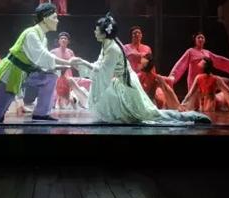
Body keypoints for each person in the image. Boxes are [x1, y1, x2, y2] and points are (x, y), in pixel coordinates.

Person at [69, 14, 210, 125]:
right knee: (141, 113)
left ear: (105, 32)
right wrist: (82, 64)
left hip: (128, 83)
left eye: (97, 29)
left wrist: (83, 63)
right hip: (122, 81)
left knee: (150, 114)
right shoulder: (107, 45)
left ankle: (190, 116)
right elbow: (100, 65)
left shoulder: (113, 48)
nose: (94, 31)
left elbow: (104, 71)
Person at [0, 3, 80, 123]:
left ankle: (41, 113)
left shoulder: (43, 38)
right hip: (9, 75)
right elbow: (43, 56)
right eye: (54, 17)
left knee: (50, 76)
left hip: (25, 74)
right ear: (45, 18)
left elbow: (43, 63)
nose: (57, 20)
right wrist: (68, 62)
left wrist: (67, 65)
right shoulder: (31, 34)